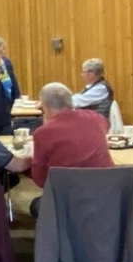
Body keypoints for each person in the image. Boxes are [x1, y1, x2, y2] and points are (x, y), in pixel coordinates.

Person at [28, 82, 113, 220]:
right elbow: (106, 126)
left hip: (67, 198)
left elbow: (41, 180)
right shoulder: (95, 118)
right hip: (105, 193)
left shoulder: (43, 133)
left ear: (45, 107)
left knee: (35, 205)